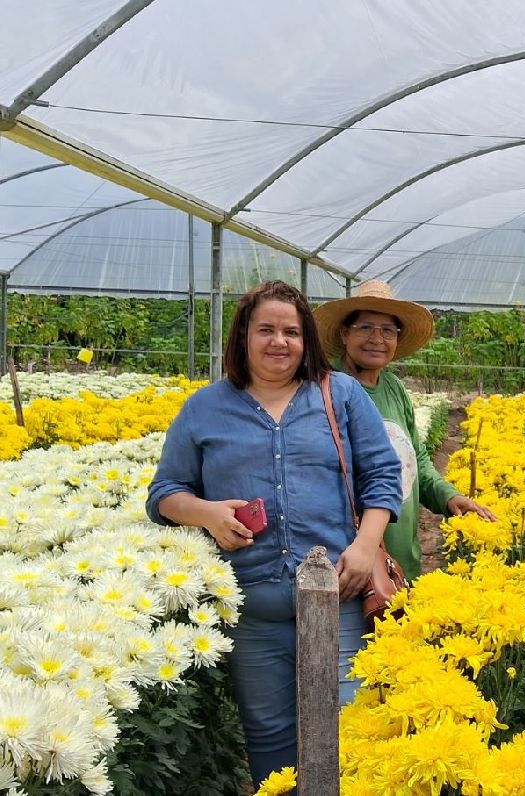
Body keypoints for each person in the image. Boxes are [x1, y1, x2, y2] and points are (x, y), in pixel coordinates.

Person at [146, 281, 402, 786]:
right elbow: (164, 494)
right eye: (265, 329)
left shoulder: (340, 394)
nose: (278, 341)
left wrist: (364, 544)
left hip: (338, 595)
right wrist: (206, 513)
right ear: (243, 337)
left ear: (306, 340)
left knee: (351, 726)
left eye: (291, 331)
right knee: (268, 733)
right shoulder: (204, 408)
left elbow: (382, 476)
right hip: (252, 606)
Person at [313, 281, 495, 582]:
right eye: (366, 327)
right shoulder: (322, 387)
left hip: (399, 556)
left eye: (388, 330)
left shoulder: (394, 388)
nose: (377, 338)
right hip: (346, 561)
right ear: (345, 333)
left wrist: (449, 497)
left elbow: (416, 460)